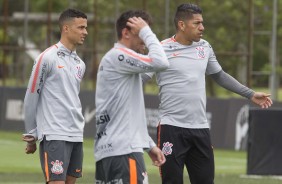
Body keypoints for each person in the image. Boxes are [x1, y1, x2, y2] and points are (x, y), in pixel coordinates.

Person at [142, 3, 273, 184]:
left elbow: (219, 75)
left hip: (200, 129)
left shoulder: (204, 47)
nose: (202, 27)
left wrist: (249, 94)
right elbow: (139, 80)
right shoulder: (161, 49)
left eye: (202, 23)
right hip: (171, 129)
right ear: (182, 25)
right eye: (197, 23)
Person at [94, 10, 168, 184]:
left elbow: (126, 112)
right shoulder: (119, 56)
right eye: (140, 32)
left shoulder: (116, 61)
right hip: (123, 153)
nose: (144, 39)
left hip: (110, 152)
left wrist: (148, 144)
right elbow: (161, 62)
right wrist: (148, 33)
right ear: (125, 33)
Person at [22, 8, 88, 184]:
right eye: (81, 27)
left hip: (76, 134)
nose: (85, 32)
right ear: (66, 28)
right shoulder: (46, 58)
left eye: (85, 28)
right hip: (54, 134)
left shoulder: (80, 64)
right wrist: (31, 135)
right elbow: (31, 95)